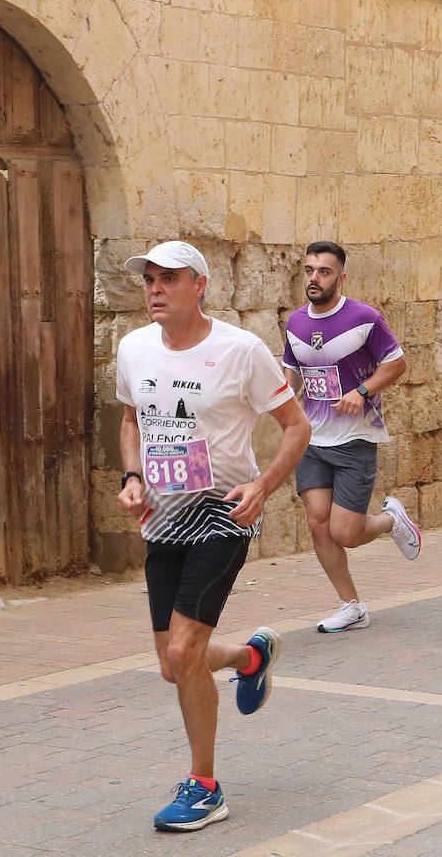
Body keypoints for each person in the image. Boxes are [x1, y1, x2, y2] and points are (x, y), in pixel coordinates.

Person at [115, 241, 311, 832]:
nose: (154, 289)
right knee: (174, 665)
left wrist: (262, 487)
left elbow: (296, 427)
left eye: (167, 278)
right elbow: (131, 420)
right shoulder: (132, 348)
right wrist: (131, 476)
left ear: (199, 285)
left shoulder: (241, 351)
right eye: (149, 279)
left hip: (224, 514)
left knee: (183, 652)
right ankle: (252, 656)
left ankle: (205, 786)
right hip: (163, 519)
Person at [283, 241, 421, 634]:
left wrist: (361, 392)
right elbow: (292, 374)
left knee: (346, 532)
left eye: (324, 272)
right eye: (309, 270)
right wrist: (276, 397)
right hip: (312, 438)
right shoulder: (295, 322)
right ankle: (352, 605)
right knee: (317, 523)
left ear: (340, 278)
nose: (314, 278)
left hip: (355, 439)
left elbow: (396, 363)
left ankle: (390, 520)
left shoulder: (364, 318)